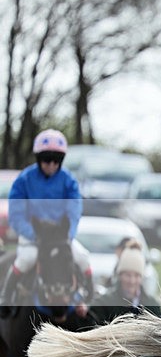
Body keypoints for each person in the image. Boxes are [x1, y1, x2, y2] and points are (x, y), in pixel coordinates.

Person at [0, 129, 92, 317]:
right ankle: (6, 298)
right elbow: (16, 216)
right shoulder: (24, 180)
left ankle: (89, 295)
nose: (51, 164)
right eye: (46, 160)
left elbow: (74, 211)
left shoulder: (69, 180)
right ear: (38, 158)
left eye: (56, 160)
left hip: (60, 238)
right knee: (26, 259)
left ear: (61, 160)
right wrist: (36, 235)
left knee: (82, 257)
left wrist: (68, 235)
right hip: (33, 237)